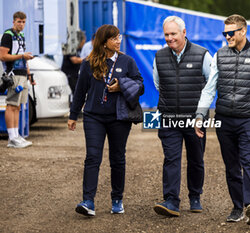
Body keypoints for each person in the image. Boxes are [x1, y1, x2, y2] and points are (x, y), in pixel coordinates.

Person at [195, 14, 250, 225]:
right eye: (225, 33)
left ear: (243, 31)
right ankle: (237, 207)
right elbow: (209, 88)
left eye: (230, 33)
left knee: (248, 160)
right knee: (231, 165)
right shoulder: (219, 55)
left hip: (249, 119)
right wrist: (200, 114)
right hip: (224, 120)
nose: (227, 36)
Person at [68, 24, 144, 217]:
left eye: (119, 37)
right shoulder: (88, 63)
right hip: (94, 116)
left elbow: (140, 85)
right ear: (104, 42)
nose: (119, 40)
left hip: (119, 117)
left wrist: (122, 86)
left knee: (117, 158)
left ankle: (117, 199)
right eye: (115, 38)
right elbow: (80, 91)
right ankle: (88, 201)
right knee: (93, 157)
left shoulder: (127, 61)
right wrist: (73, 115)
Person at [153, 16, 212, 217]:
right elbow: (158, 84)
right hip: (169, 118)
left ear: (184, 33)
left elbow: (211, 86)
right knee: (171, 158)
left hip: (196, 119)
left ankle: (195, 196)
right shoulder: (159, 56)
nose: (169, 38)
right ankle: (171, 201)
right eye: (166, 34)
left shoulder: (202, 55)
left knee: (196, 159)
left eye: (173, 34)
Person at [0, 11, 35, 148]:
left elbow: (23, 56)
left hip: (22, 75)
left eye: (23, 22)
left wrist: (30, 75)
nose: (21, 24)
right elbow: (3, 56)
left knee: (19, 106)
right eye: (19, 21)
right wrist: (22, 57)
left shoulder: (21, 36)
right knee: (11, 105)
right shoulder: (8, 35)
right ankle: (12, 137)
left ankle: (16, 135)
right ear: (14, 21)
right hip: (13, 74)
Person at [61, 31, 86, 95]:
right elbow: (74, 60)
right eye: (83, 41)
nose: (83, 43)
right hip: (70, 75)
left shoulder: (77, 49)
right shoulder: (71, 48)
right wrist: (87, 59)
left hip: (75, 75)